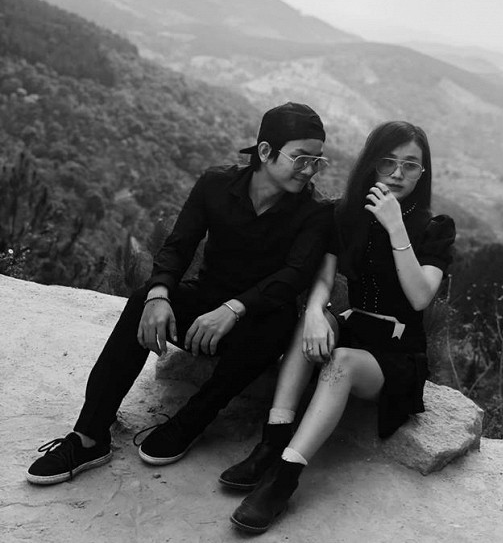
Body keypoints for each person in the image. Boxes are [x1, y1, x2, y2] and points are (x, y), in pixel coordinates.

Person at [26, 102, 333, 485]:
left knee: (279, 323)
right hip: (204, 302)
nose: (309, 170)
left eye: (317, 161)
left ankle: (191, 420)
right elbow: (179, 244)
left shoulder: (315, 211)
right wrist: (158, 294)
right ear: (266, 151)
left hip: (256, 319)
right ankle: (89, 436)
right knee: (141, 300)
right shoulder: (216, 184)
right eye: (301, 158)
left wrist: (234, 309)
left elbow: (294, 275)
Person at [223, 121, 456, 534]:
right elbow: (324, 278)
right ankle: (272, 441)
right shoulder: (344, 215)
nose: (398, 174)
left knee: (342, 361)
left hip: (397, 352)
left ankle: (284, 477)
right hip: (357, 326)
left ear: (423, 172)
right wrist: (316, 311)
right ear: (371, 164)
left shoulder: (435, 227)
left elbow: (420, 296)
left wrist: (395, 226)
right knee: (311, 321)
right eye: (387, 162)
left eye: (410, 165)